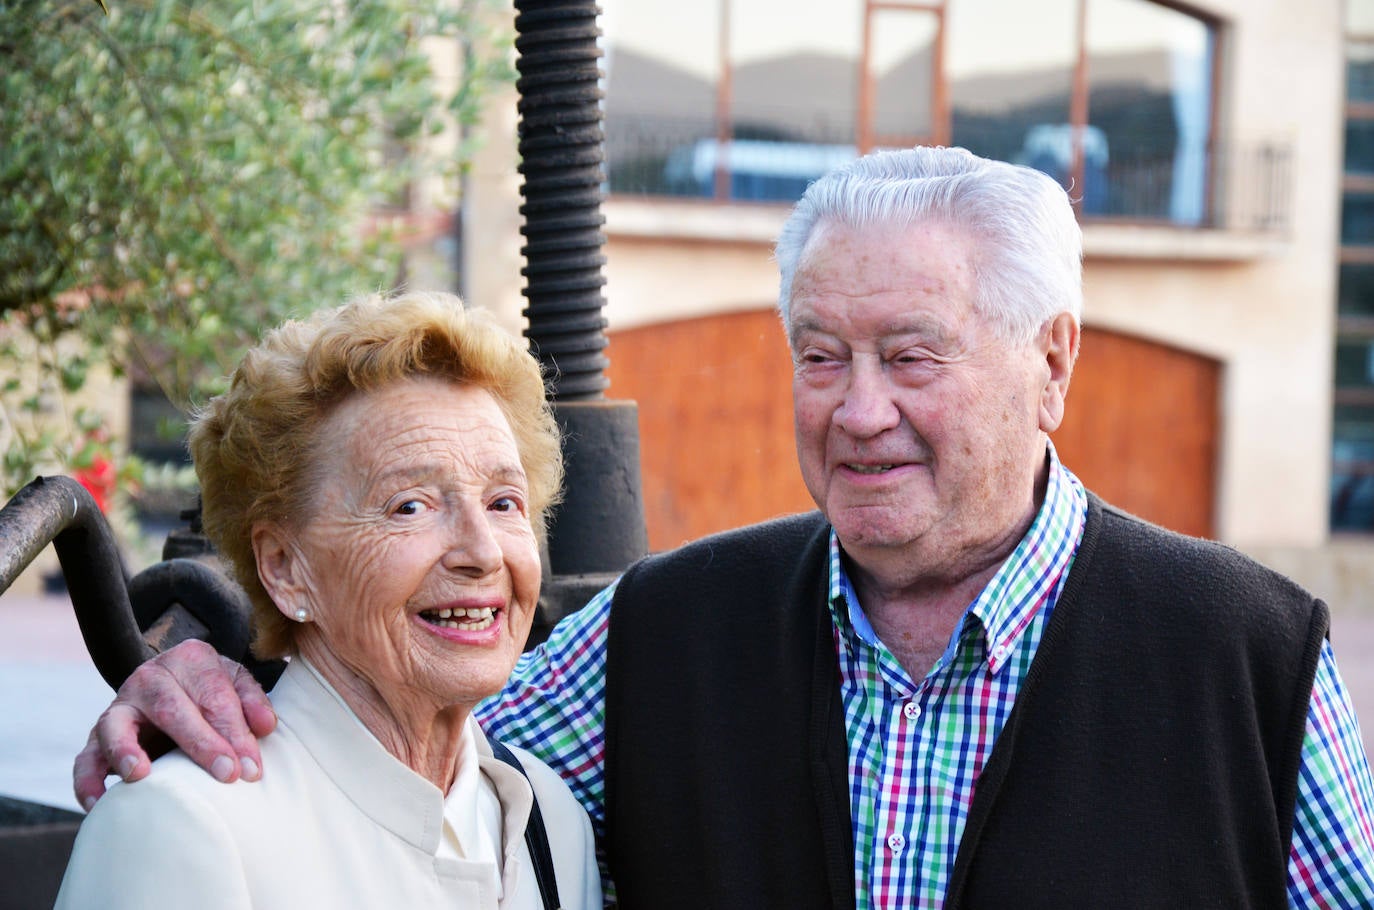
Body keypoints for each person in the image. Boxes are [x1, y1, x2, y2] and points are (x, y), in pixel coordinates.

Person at [73, 148, 1374, 908]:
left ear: (1051, 360)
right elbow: (396, 725)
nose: (857, 412)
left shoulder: (1248, 656)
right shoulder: (666, 628)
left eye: (908, 354)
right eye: (820, 354)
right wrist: (221, 668)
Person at [57, 292, 601, 909]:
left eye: (504, 502)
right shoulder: (180, 826)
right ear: (286, 569)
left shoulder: (551, 826)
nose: (481, 551)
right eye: (409, 506)